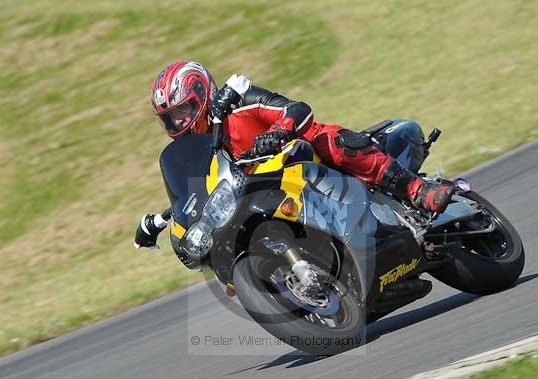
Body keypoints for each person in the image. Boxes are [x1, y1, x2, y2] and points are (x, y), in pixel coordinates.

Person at [135, 60, 454, 248]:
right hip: (272, 194)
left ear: (204, 94)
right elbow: (203, 192)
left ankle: (418, 190)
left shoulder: (238, 103)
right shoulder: (200, 153)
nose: (179, 122)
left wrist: (277, 132)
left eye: (184, 109)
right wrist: (163, 220)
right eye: (171, 118)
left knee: (327, 140)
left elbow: (298, 110)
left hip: (302, 158)